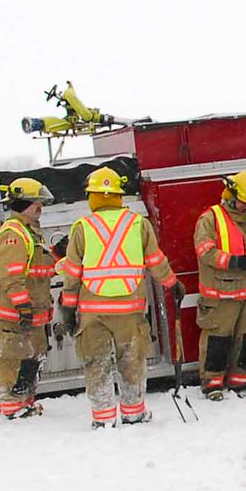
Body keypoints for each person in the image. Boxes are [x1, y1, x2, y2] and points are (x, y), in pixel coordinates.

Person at [58, 166, 181, 428]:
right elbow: (155, 261)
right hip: (130, 311)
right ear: (118, 195)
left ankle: (103, 420)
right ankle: (134, 414)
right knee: (132, 362)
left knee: (97, 365)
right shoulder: (138, 224)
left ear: (92, 196)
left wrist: (68, 308)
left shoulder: (82, 227)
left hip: (93, 314)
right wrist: (173, 283)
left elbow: (72, 275)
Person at [192, 170, 246, 400]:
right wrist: (233, 262)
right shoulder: (211, 218)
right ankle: (212, 384)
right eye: (243, 203)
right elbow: (205, 252)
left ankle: (242, 382)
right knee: (218, 339)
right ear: (231, 195)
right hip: (222, 293)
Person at [0, 177, 56, 419]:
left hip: (31, 312)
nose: (41, 207)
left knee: (32, 358)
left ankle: (24, 402)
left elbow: (38, 269)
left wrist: (57, 255)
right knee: (15, 359)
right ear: (24, 203)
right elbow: (11, 276)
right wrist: (23, 305)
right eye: (37, 202)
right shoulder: (14, 234)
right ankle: (11, 407)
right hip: (17, 313)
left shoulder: (29, 232)